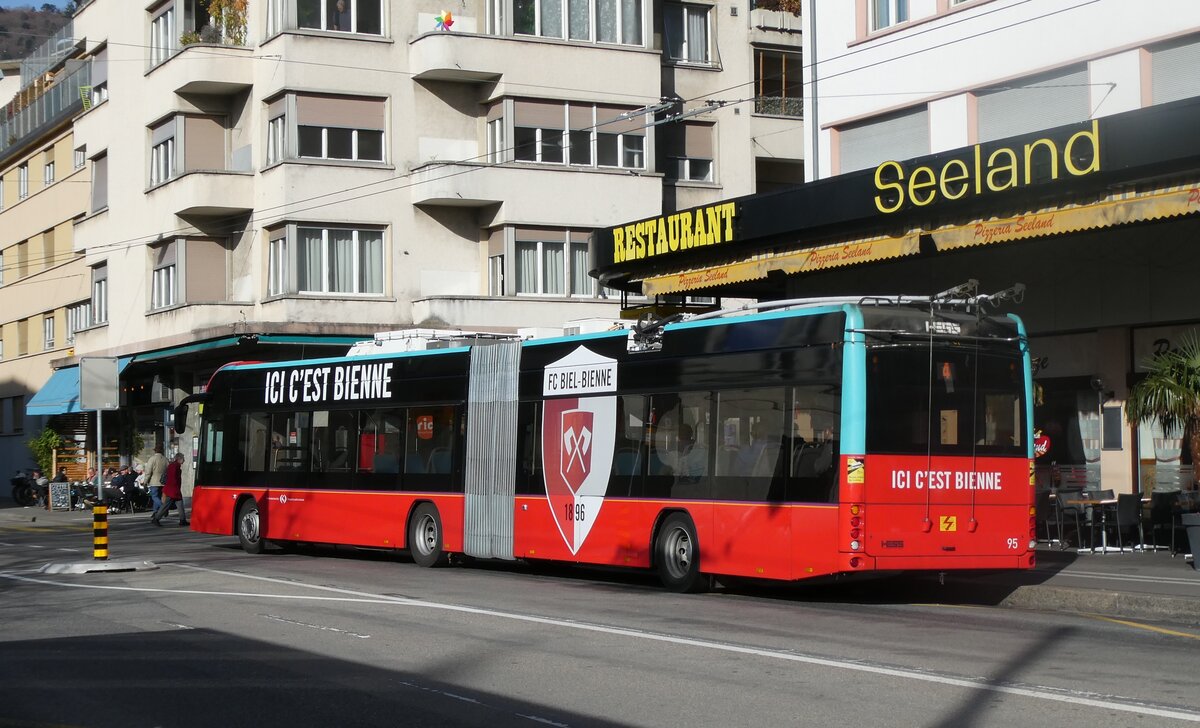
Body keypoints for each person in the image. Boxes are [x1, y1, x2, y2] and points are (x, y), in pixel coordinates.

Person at [151, 454, 189, 527]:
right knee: (166, 506)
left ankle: (182, 520)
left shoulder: (174, 466)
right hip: (172, 490)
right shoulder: (174, 466)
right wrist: (175, 489)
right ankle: (156, 519)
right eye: (183, 459)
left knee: (180, 505)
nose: (184, 460)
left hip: (174, 489)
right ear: (179, 459)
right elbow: (172, 479)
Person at [143, 445, 168, 517]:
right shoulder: (165, 459)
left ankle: (163, 508)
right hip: (163, 482)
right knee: (159, 496)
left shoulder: (152, 459)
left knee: (154, 496)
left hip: (154, 481)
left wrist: (145, 482)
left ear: (155, 451)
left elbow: (148, 472)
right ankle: (155, 512)